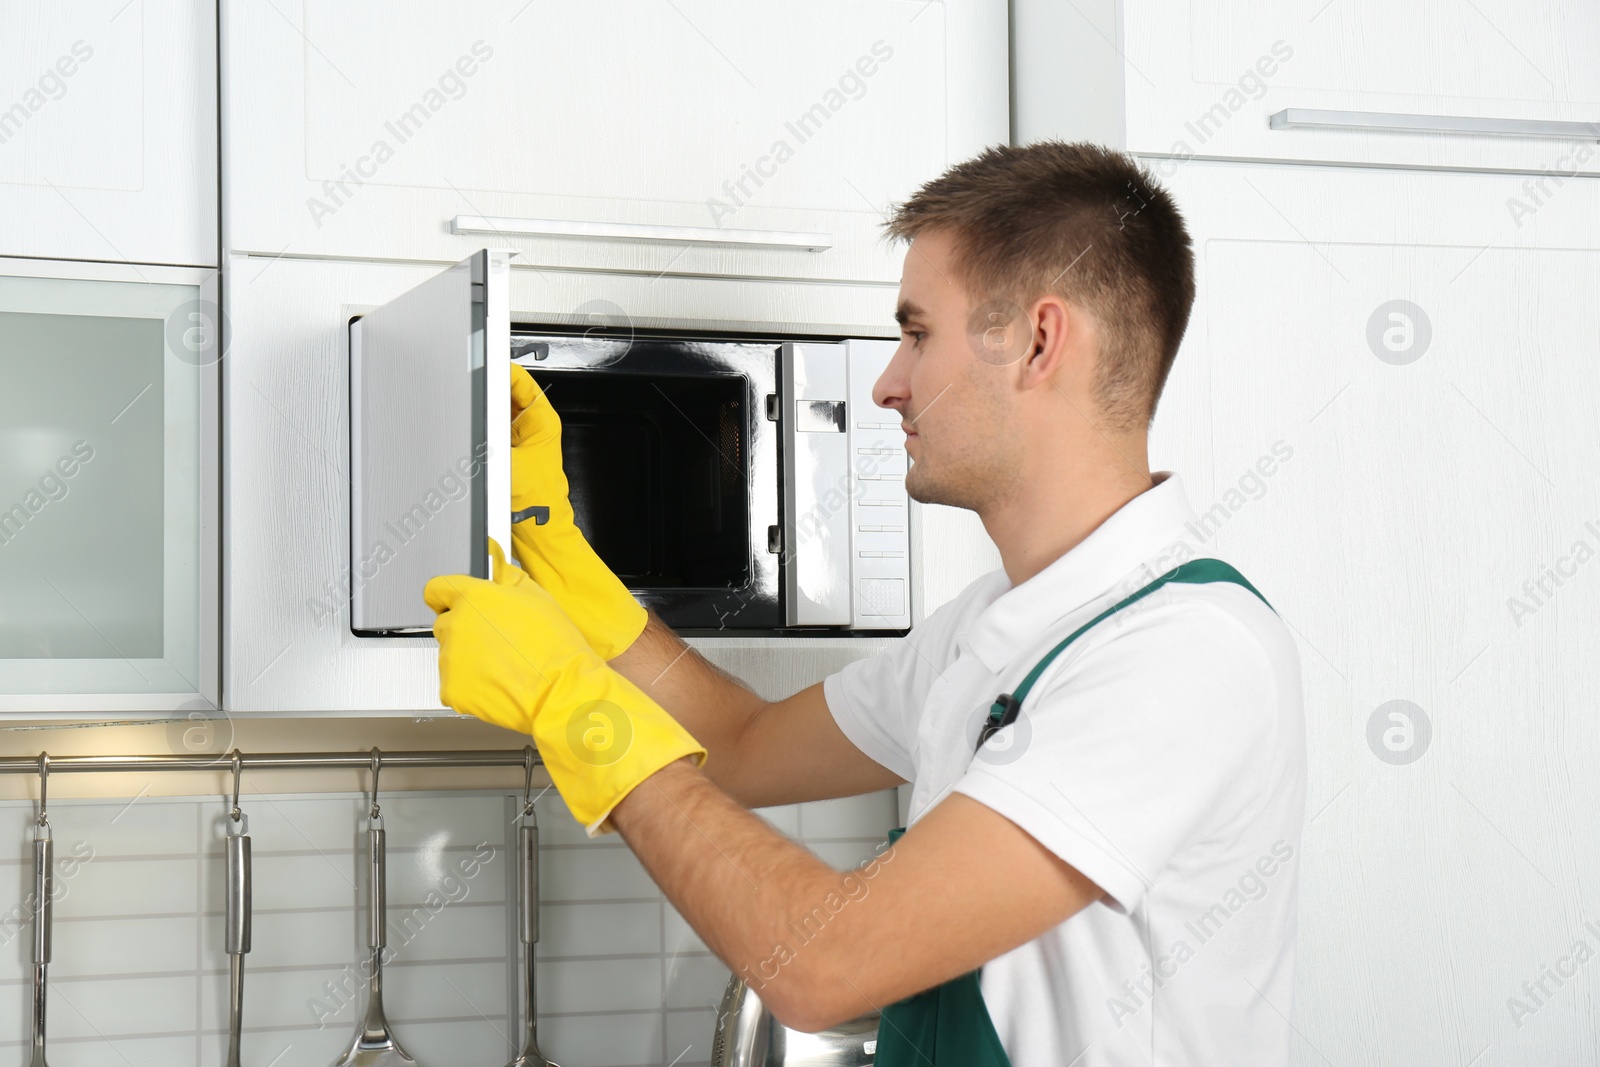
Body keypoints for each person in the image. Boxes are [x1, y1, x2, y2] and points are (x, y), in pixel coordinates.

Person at [424, 140, 1306, 1066]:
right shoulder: (993, 626)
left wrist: (573, 705)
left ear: (1039, 341)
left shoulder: (1183, 654)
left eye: (918, 332)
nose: (887, 383)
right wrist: (569, 573)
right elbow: (742, 747)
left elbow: (826, 965)